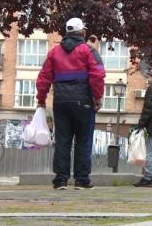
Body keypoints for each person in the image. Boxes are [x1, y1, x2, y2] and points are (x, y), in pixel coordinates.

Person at [36, 17, 106, 190]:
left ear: (66, 33)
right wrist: (97, 98)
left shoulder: (54, 52)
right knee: (83, 140)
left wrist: (41, 101)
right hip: (83, 101)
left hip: (60, 102)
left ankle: (60, 179)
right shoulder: (88, 50)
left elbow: (43, 77)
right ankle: (81, 180)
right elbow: (97, 75)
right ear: (82, 32)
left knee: (62, 141)